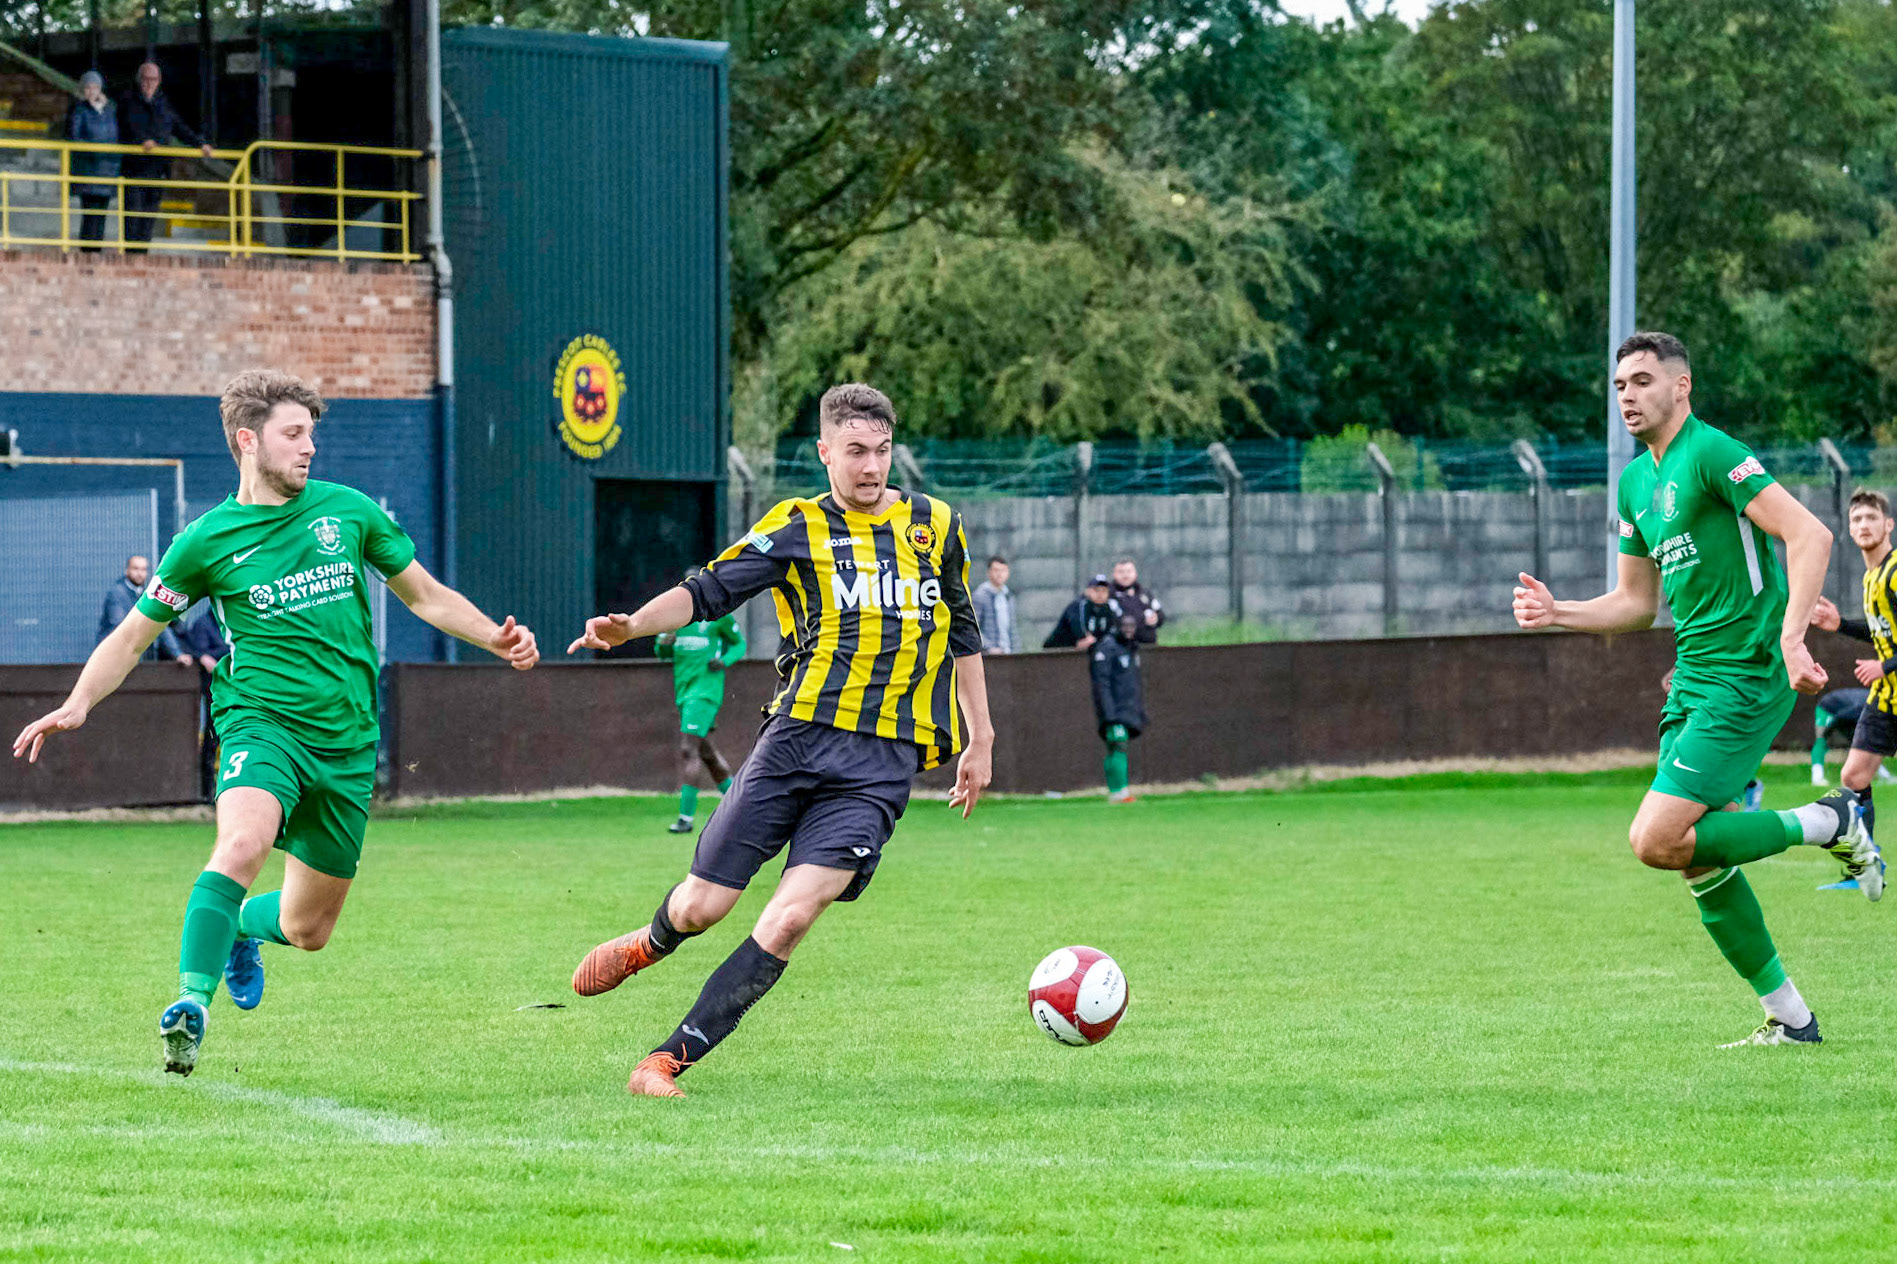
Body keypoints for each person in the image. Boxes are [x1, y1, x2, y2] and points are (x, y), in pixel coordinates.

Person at [12, 369, 539, 1078]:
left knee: (307, 928)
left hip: (347, 739)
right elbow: (134, 635)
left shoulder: (346, 513)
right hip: (260, 722)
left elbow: (426, 596)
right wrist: (79, 702)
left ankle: (240, 931)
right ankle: (190, 1006)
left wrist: (494, 638)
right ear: (247, 440)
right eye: (294, 434)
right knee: (241, 843)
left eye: (312, 435)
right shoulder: (206, 542)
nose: (309, 448)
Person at [565, 382, 994, 1099]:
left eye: (882, 452)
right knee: (704, 907)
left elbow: (963, 629)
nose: (870, 467)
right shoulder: (797, 525)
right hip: (794, 744)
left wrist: (980, 738)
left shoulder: (937, 525)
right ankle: (651, 941)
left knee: (792, 916)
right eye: (854, 452)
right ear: (824, 452)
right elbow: (707, 590)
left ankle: (664, 1061)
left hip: (879, 767)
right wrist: (631, 625)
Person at [1512, 331, 1879, 1050]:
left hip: (1745, 673)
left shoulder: (1711, 453)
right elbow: (1633, 603)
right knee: (1697, 858)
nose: (1626, 396)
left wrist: (1791, 636)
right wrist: (1558, 612)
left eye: (1642, 381)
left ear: (1680, 387)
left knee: (1654, 839)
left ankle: (1829, 821)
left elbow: (1808, 537)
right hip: (1694, 683)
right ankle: (1792, 1020)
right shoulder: (1633, 484)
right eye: (1618, 385)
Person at [1809, 488, 1897, 843]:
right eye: (1857, 519)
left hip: (1887, 681)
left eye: (1871, 517)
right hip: (1886, 697)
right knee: (1854, 777)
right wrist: (1841, 625)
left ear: (1888, 524)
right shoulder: (1870, 577)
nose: (1863, 524)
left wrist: (1885, 666)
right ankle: (1865, 864)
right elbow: (1882, 632)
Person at [653, 581, 746, 834]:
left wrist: (724, 660)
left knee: (688, 749)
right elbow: (661, 653)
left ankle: (685, 819)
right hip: (684, 691)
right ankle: (744, 808)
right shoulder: (676, 620)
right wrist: (664, 643)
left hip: (705, 691)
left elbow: (740, 644)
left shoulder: (718, 617)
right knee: (707, 754)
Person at [117, 62, 214, 252]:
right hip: (135, 170)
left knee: (148, 220)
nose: (149, 83)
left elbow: (179, 128)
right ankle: (130, 258)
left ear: (159, 81)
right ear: (139, 80)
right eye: (145, 79)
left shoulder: (164, 105)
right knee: (132, 218)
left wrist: (200, 143)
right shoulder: (128, 101)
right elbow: (126, 127)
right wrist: (142, 140)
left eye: (153, 79)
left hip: (158, 171)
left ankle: (141, 258)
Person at [1092, 611, 1147, 804]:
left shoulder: (1130, 648)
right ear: (1116, 627)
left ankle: (1116, 791)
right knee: (1118, 746)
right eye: (1125, 626)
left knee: (1116, 747)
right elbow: (1102, 684)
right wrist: (1110, 715)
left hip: (1127, 709)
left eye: (1132, 627)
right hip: (1114, 712)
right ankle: (1119, 791)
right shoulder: (1107, 648)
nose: (1129, 630)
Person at [99, 554, 190, 664]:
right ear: (127, 570)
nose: (140, 573)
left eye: (143, 569)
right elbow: (118, 625)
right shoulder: (117, 593)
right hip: (113, 655)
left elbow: (159, 624)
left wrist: (177, 654)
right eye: (135, 568)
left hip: (135, 657)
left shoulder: (147, 594)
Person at [65, 71, 119, 251]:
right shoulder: (79, 110)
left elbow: (114, 138)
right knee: (89, 215)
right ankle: (88, 254)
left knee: (101, 216)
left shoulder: (109, 111)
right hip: (88, 172)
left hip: (107, 172)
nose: (91, 91)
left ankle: (96, 254)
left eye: (94, 87)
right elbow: (74, 136)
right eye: (87, 87)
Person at [1043, 575, 1119, 650]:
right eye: (1096, 590)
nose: (1100, 594)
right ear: (1088, 591)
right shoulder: (1079, 605)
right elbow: (1081, 633)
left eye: (1104, 590)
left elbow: (1111, 629)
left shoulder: (1108, 607)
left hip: (1083, 650)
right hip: (1058, 650)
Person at [1109, 557, 1164, 644]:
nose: (1125, 575)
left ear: (1135, 573)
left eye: (1129, 571)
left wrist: (1156, 618)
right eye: (1121, 572)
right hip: (1121, 646)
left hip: (1147, 646)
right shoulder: (1109, 595)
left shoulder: (1145, 594)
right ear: (1114, 574)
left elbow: (1160, 614)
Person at [973, 555, 1021, 655]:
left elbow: (1013, 627)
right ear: (989, 573)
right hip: (990, 655)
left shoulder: (1008, 595)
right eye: (996, 570)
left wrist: (1016, 650)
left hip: (1008, 652)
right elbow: (974, 627)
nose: (1000, 574)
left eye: (1003, 570)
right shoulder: (980, 595)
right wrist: (988, 648)